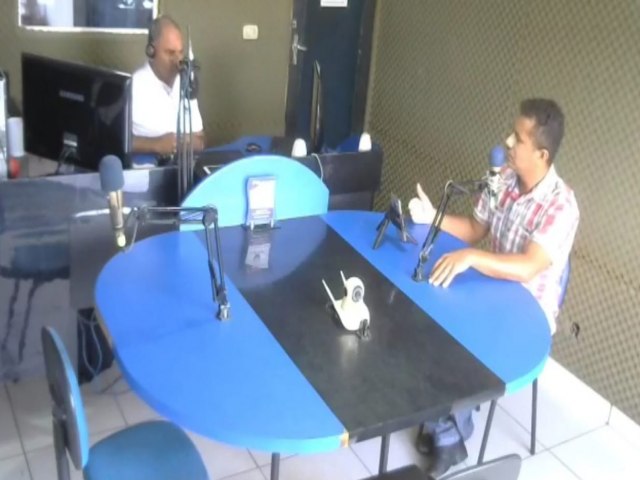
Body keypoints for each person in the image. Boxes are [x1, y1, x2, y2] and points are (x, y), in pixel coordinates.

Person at [408, 98, 580, 476]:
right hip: (493, 288)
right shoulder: (502, 179)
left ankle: (449, 436)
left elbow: (529, 266)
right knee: (429, 306)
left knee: (466, 337)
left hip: (528, 312)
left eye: (518, 138)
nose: (508, 142)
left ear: (542, 154)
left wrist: (472, 258)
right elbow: (474, 229)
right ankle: (439, 417)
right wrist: (432, 216)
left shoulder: (561, 206)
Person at [131, 14, 205, 162]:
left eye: (180, 52)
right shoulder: (134, 85)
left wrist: (176, 143)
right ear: (151, 51)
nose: (178, 60)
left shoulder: (186, 82)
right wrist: (155, 144)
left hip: (182, 166)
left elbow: (200, 140)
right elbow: (115, 141)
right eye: (170, 53)